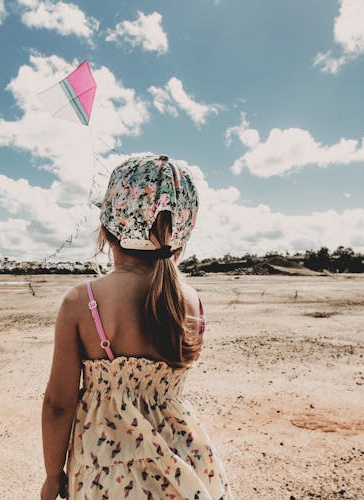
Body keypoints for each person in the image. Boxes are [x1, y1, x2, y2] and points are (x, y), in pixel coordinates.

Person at [41, 155, 233, 499]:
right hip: (184, 460)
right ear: (183, 229)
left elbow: (58, 403)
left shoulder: (81, 302)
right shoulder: (191, 302)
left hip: (107, 467)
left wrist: (53, 476)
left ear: (107, 229)